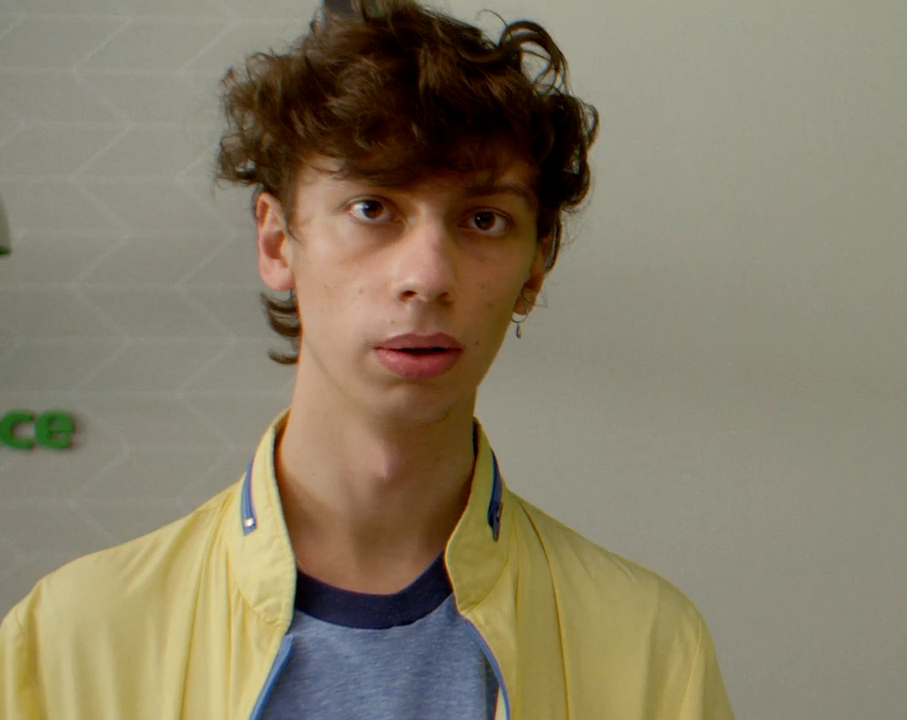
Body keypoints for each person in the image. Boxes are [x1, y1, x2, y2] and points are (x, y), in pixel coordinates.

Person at [0, 2, 733, 718]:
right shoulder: (68, 638)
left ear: (535, 266)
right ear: (276, 240)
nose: (427, 275)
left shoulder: (650, 646)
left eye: (484, 219)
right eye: (372, 208)